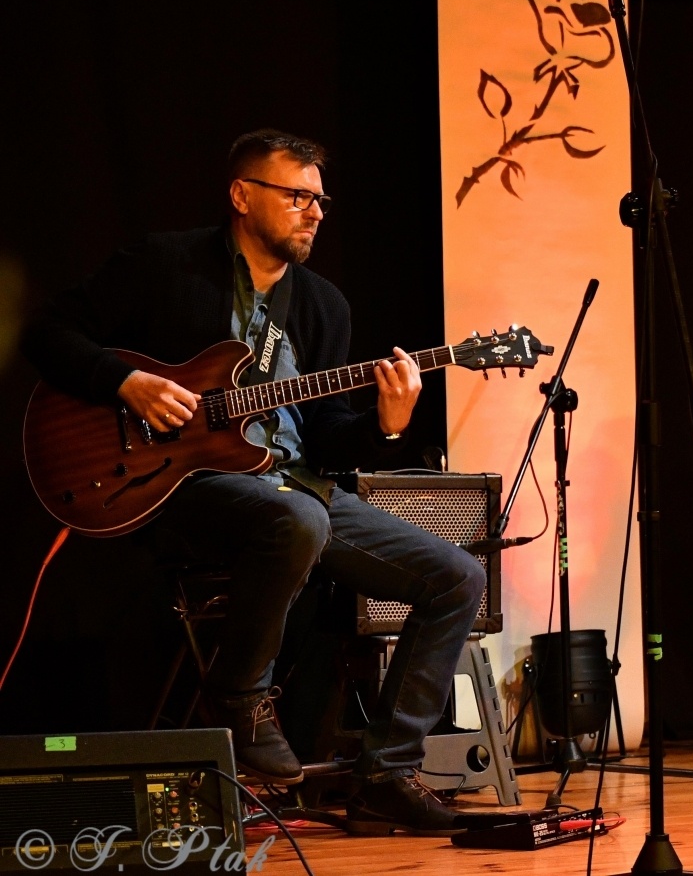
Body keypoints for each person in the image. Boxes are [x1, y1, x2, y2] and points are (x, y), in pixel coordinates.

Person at [23, 129, 484, 835]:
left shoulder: (323, 305)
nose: (315, 211)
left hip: (292, 487)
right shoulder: (166, 264)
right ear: (242, 195)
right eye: (297, 195)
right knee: (297, 519)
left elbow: (326, 437)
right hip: (180, 487)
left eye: (320, 200)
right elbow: (47, 333)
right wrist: (127, 381)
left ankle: (387, 774)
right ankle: (241, 695)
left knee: (456, 575)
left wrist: (384, 427)